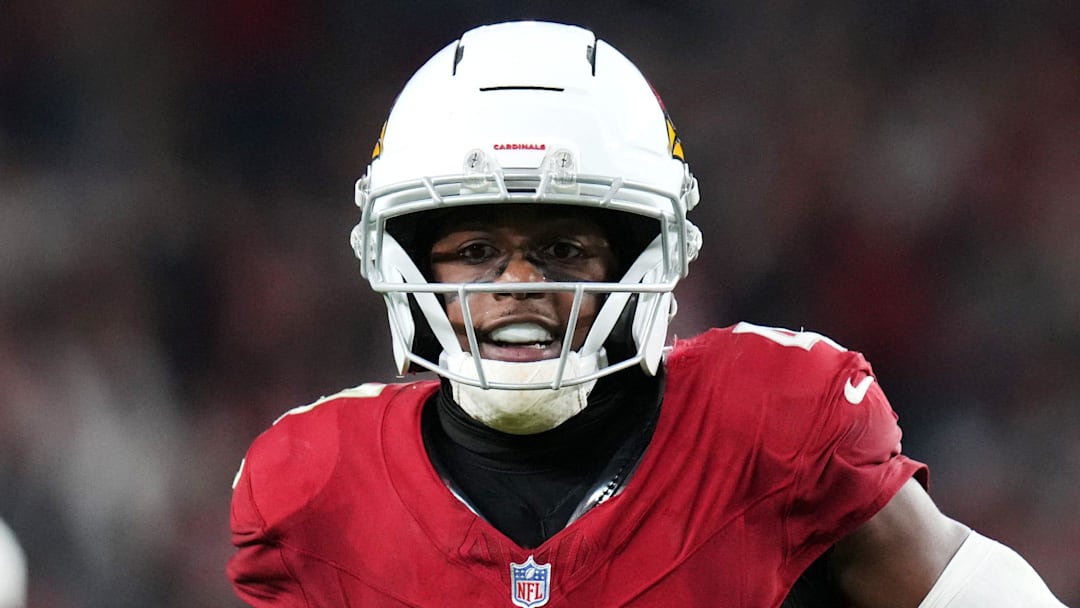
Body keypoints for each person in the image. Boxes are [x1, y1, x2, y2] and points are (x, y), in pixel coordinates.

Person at [227, 20, 1069, 607]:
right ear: (404, 258)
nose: (518, 281)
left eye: (563, 247)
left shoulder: (770, 425)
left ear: (644, 255)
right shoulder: (313, 489)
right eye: (477, 248)